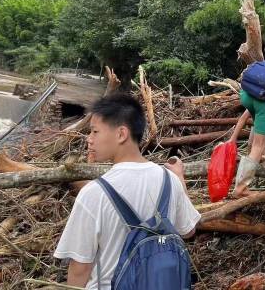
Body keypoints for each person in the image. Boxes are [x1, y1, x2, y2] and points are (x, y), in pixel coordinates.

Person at [54, 93, 200, 289]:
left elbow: (80, 267)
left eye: (95, 132)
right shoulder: (170, 181)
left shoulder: (93, 193)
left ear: (121, 134)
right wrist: (180, 181)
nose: (89, 140)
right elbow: (189, 231)